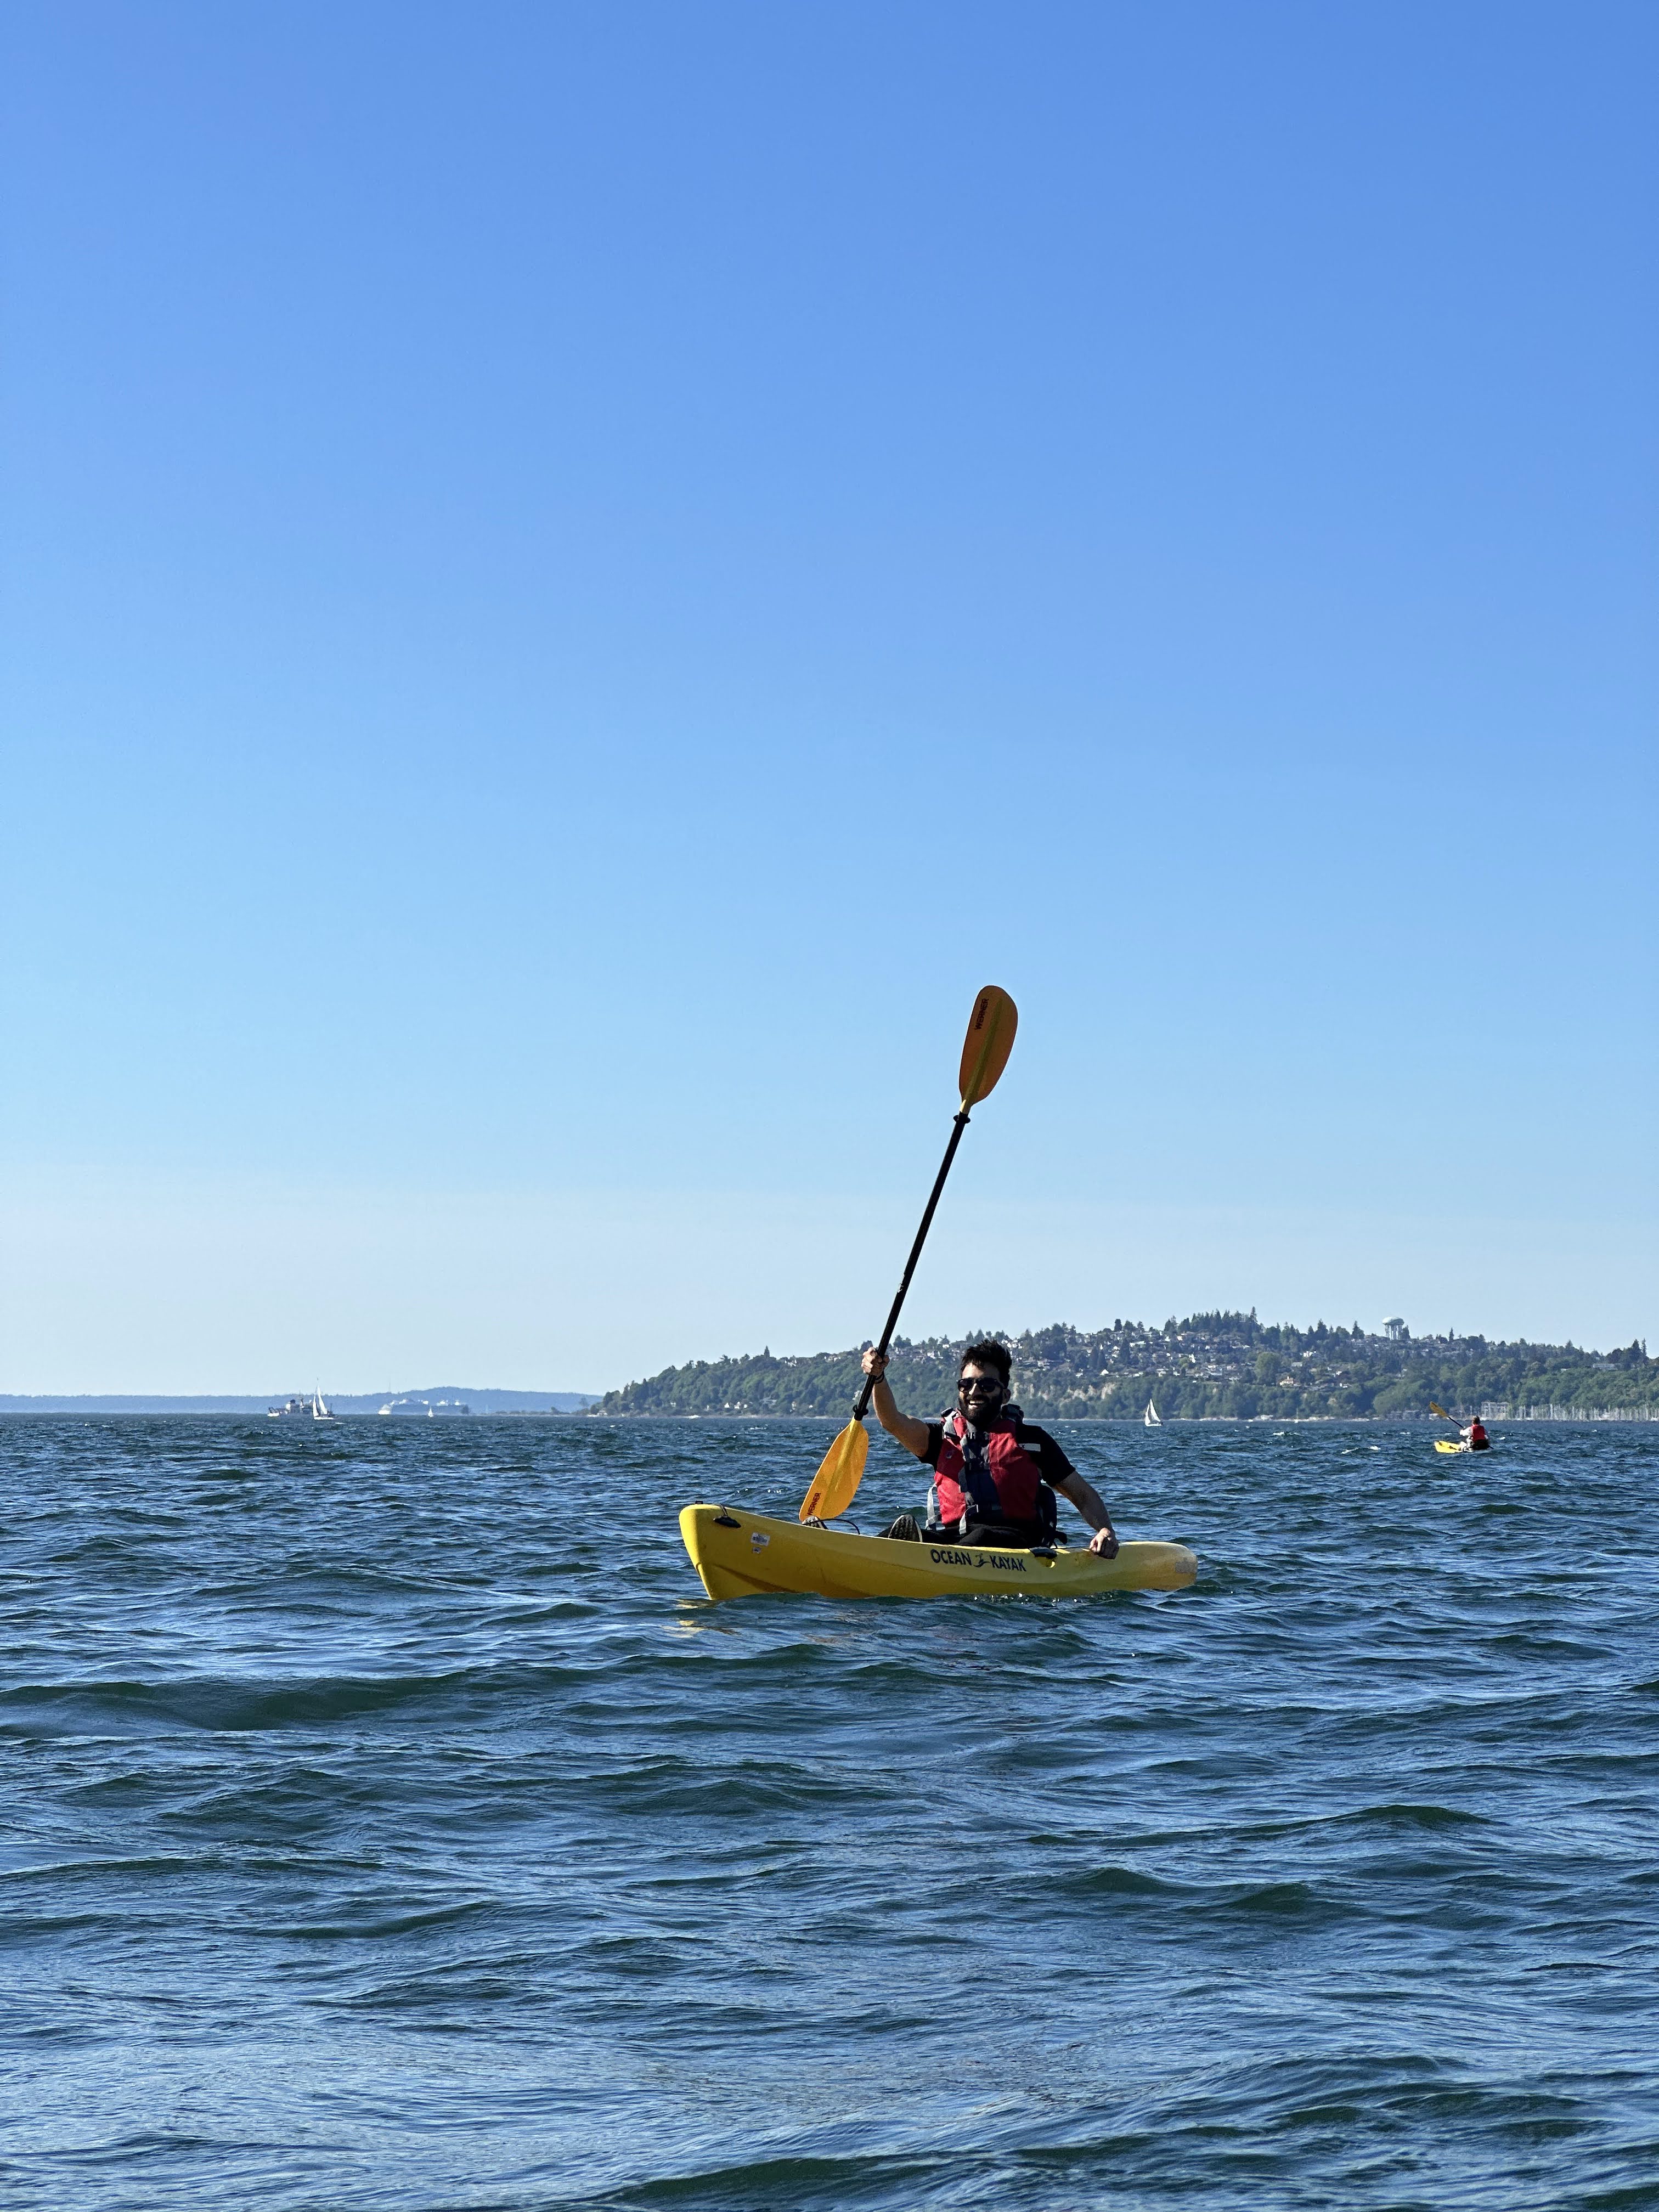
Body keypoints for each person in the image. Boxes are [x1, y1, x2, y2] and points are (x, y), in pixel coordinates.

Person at [862, 1340, 1119, 1555]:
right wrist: (879, 1378)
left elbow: (1083, 1496)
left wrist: (1104, 1530)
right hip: (954, 1545)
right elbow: (893, 1421)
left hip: (1015, 1548)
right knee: (899, 1536)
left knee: (981, 1536)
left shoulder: (1032, 1441)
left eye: (986, 1386)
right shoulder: (941, 1439)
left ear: (1005, 1395)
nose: (975, 1391)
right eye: (966, 1385)